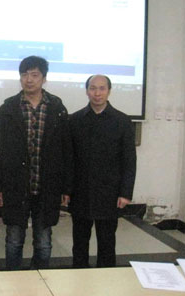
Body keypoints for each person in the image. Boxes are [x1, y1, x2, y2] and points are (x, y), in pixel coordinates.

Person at [0, 55, 72, 270]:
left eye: (34, 75)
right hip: (15, 185)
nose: (29, 79)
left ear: (44, 78)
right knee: (14, 240)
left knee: (44, 242)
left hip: (48, 186)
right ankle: (12, 279)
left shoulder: (57, 108)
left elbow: (65, 151)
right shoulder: (8, 108)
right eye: (24, 75)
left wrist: (66, 187)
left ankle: (40, 279)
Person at [68, 74, 136, 268]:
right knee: (79, 242)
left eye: (102, 88)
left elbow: (129, 160)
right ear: (86, 91)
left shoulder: (122, 121)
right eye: (92, 88)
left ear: (109, 91)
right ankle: (78, 276)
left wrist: (125, 193)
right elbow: (69, 159)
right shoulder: (75, 120)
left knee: (107, 242)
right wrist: (67, 190)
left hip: (110, 192)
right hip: (81, 192)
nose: (97, 93)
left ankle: (106, 278)